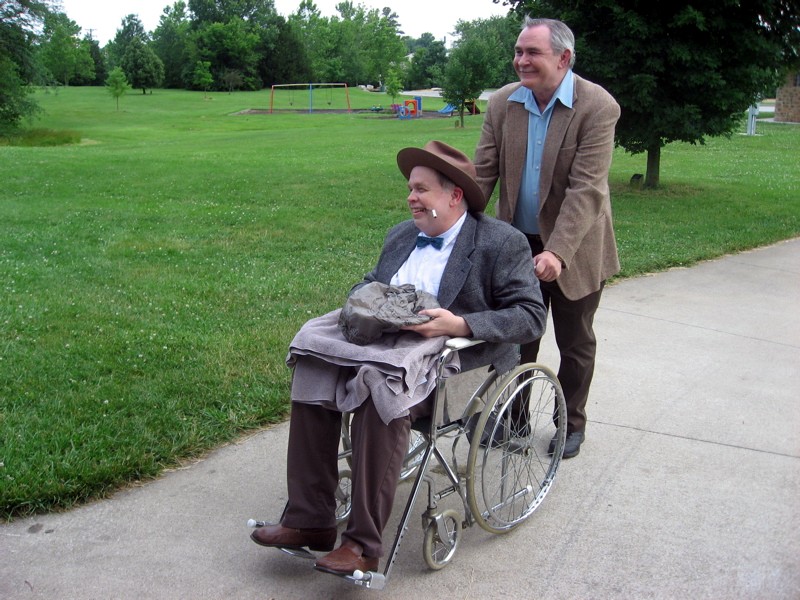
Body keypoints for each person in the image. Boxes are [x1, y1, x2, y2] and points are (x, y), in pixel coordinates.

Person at [251, 141, 546, 577]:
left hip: (448, 361)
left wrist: (459, 323)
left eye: (421, 189)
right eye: (410, 188)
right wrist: (370, 304)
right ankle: (309, 519)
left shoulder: (500, 242)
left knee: (380, 389)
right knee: (314, 371)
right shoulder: (401, 235)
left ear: (455, 195)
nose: (411, 197)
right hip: (380, 345)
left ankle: (362, 544)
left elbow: (531, 316)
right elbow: (368, 283)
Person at [473, 17, 621, 459]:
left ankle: (570, 423)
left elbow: (587, 190)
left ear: (563, 57)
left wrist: (557, 250)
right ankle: (514, 419)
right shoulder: (503, 104)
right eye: (518, 52)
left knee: (575, 343)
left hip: (576, 247)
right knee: (516, 339)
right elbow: (482, 174)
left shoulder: (597, 106)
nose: (521, 60)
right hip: (517, 246)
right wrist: (454, 225)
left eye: (532, 52)